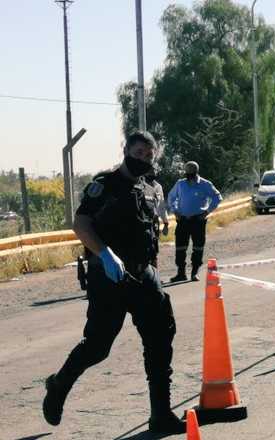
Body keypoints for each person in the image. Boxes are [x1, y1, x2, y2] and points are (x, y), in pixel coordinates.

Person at [42, 131, 185, 434]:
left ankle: (161, 414)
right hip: (108, 277)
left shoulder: (151, 188)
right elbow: (80, 224)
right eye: (138, 153)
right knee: (98, 346)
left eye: (149, 155)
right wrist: (105, 255)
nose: (143, 159)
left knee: (160, 340)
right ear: (126, 150)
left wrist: (154, 269)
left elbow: (151, 231)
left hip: (144, 275)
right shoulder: (105, 185)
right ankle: (58, 384)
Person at [167, 161, 222, 282]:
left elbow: (217, 197)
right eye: (187, 172)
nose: (189, 175)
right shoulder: (180, 184)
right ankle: (181, 273)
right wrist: (175, 211)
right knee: (180, 247)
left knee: (198, 246)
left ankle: (194, 272)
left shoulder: (205, 184)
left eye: (191, 172)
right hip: (182, 220)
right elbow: (171, 197)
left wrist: (206, 212)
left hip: (198, 220)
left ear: (196, 172)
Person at [144, 172, 170, 268]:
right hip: (141, 222)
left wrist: (166, 223)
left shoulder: (158, 187)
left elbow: (162, 206)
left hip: (154, 222)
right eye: (150, 170)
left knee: (154, 250)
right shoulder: (138, 185)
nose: (152, 172)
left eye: (153, 170)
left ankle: (155, 276)